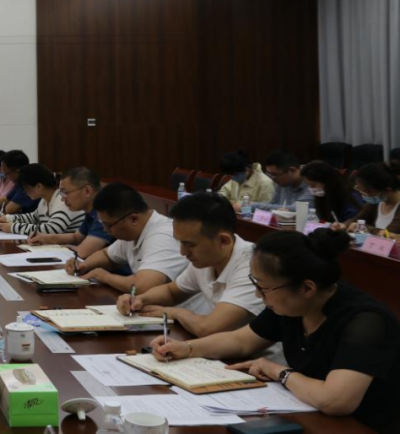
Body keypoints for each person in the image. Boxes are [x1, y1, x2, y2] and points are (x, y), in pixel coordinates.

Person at [150, 230, 400, 432]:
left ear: (307, 288)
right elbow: (241, 341)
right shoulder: (292, 305)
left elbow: (336, 401)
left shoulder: (366, 321)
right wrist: (187, 348)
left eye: (263, 287)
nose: (258, 294)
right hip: (310, 415)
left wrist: (278, 371)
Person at [116, 193, 265, 337]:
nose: (183, 252)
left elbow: (208, 328)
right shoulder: (208, 259)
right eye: (180, 243)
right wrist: (139, 300)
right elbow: (171, 292)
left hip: (253, 354)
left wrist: (175, 313)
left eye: (190, 245)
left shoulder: (253, 266)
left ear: (223, 241)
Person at [68, 182, 188, 294]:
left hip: (177, 310)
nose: (105, 230)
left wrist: (105, 276)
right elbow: (107, 256)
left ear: (133, 219)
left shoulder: (163, 237)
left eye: (108, 225)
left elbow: (141, 287)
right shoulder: (133, 232)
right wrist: (83, 266)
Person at [27, 168, 116, 263]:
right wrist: (45, 238)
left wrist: (74, 249)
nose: (62, 199)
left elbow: (82, 253)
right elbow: (77, 237)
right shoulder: (91, 212)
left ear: (87, 191)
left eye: (65, 193)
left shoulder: (105, 211)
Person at [0, 163, 84, 236]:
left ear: (39, 186)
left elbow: (52, 230)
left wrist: (13, 227)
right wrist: (7, 218)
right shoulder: (45, 200)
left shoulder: (62, 200)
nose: (24, 192)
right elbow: (33, 218)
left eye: (25, 188)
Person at [344, 162, 400, 235]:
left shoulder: (377, 198)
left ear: (387, 190)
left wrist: (363, 228)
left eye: (368, 191)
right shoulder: (378, 200)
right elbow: (358, 218)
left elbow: (388, 234)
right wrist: (343, 225)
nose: (364, 195)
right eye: (359, 189)